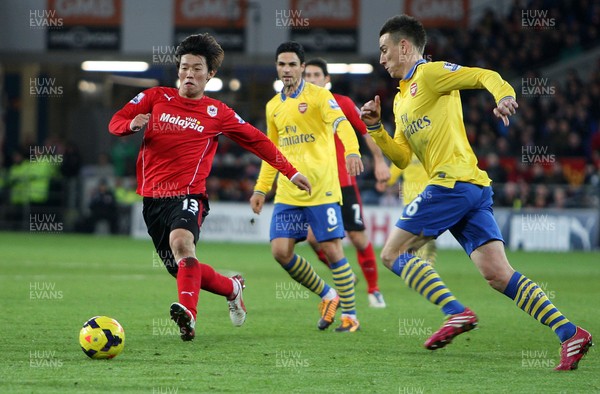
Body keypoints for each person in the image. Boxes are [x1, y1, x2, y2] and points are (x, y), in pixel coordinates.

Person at [360, 15, 592, 370]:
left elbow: (486, 75)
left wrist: (505, 97)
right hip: (470, 188)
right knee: (498, 275)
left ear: (404, 47)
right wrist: (376, 128)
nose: (381, 59)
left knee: (392, 254)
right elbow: (403, 158)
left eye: (384, 50)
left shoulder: (432, 73)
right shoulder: (401, 99)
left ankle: (455, 312)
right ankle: (569, 332)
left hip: (452, 183)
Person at [109, 33, 311, 342]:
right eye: (185, 67)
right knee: (182, 269)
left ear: (210, 74)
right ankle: (233, 288)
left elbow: (258, 141)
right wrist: (131, 124)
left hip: (189, 195)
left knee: (182, 245)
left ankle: (189, 315)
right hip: (153, 199)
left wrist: (291, 172)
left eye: (197, 69)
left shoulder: (218, 113)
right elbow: (116, 121)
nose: (189, 74)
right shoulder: (155, 98)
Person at [250, 42, 364, 332]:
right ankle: (328, 294)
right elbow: (271, 151)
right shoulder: (273, 106)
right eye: (281, 64)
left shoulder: (320, 96)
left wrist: (352, 151)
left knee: (331, 248)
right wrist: (262, 188)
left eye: (292, 64)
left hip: (322, 188)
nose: (286, 69)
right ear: (277, 67)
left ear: (302, 67)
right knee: (280, 251)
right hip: (289, 191)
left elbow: (342, 124)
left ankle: (350, 316)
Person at [304, 57, 390, 308]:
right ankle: (344, 273)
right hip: (317, 185)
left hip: (343, 183)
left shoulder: (341, 103)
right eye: (307, 75)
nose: (311, 80)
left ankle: (373, 289)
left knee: (358, 237)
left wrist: (379, 161)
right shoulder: (299, 107)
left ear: (326, 80)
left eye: (316, 75)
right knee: (312, 238)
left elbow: (366, 131)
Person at [380, 156, 437, 264]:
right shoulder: (428, 150)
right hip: (427, 196)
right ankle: (424, 262)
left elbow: (394, 172)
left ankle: (418, 263)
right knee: (424, 234)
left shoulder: (406, 152)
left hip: (411, 200)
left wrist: (385, 182)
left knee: (412, 235)